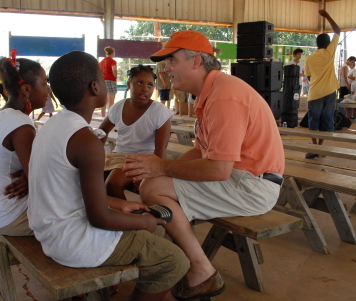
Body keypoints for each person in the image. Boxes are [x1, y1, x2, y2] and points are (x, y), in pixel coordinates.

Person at [122, 29, 285, 299]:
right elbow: (201, 151)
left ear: (196, 61)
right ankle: (173, 268)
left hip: (253, 186)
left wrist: (160, 169)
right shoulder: (212, 92)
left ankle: (201, 272)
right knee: (157, 187)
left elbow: (219, 169)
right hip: (241, 178)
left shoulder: (224, 96)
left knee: (153, 189)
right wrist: (157, 169)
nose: (167, 69)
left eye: (172, 61)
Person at [28, 51, 189, 301]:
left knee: (155, 233)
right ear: (95, 87)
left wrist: (121, 204)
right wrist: (143, 222)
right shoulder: (86, 141)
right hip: (72, 241)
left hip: (49, 231)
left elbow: (72, 194)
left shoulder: (53, 126)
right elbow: (100, 219)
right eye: (103, 81)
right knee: (174, 260)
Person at [0, 52, 48, 236]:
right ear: (27, 90)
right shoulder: (21, 125)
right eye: (45, 83)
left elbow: (32, 172)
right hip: (12, 216)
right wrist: (31, 177)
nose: (48, 89)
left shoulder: (1, 115)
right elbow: (42, 182)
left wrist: (28, 174)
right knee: (85, 210)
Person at [99, 64, 172, 200]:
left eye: (150, 85)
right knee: (87, 177)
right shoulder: (118, 107)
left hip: (143, 160)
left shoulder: (159, 112)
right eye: (139, 83)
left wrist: (149, 176)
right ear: (128, 84)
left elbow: (160, 152)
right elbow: (102, 132)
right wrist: (96, 155)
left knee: (112, 184)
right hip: (117, 156)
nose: (145, 89)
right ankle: (103, 214)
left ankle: (128, 218)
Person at [304, 10, 340, 159]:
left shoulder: (309, 59)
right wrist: (327, 16)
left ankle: (314, 148)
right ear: (327, 44)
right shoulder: (329, 52)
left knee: (314, 120)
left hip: (315, 93)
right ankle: (320, 148)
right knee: (327, 119)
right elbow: (337, 30)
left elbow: (308, 77)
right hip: (330, 91)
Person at [99, 46, 118, 117]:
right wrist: (115, 76)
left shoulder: (101, 62)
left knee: (104, 100)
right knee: (111, 101)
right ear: (113, 53)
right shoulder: (112, 61)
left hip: (102, 81)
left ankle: (103, 116)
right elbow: (114, 70)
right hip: (110, 80)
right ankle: (110, 117)